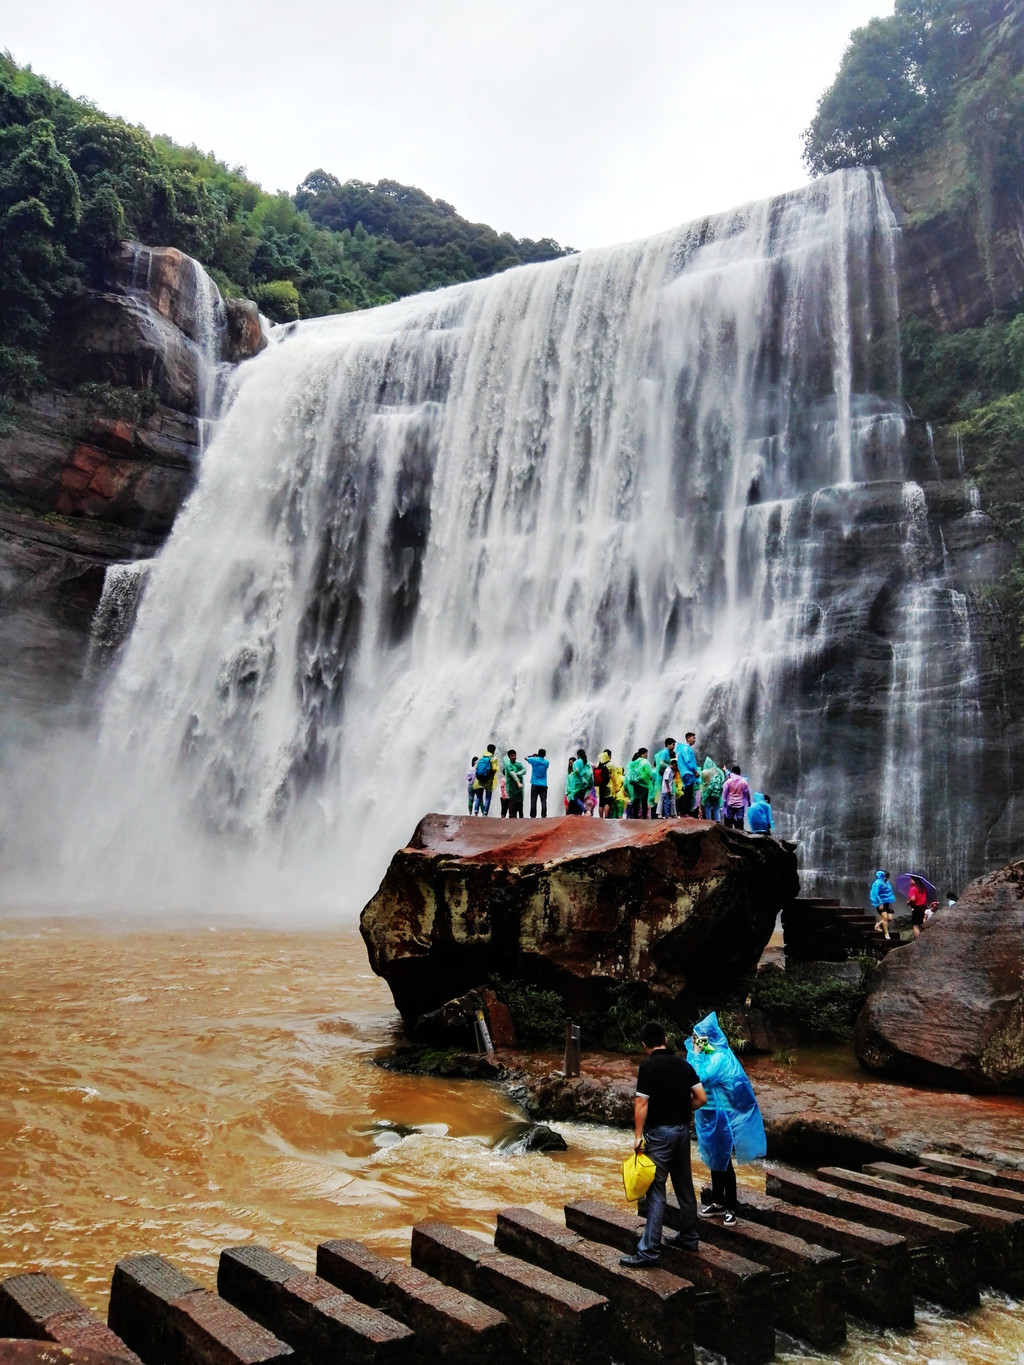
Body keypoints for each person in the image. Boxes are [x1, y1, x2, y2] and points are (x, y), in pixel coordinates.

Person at [619, 1021, 706, 1267]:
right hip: (682, 1131)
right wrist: (680, 1110)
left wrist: (637, 1136)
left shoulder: (648, 1067)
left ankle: (649, 1251)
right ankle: (689, 1237)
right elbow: (701, 1097)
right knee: (684, 1185)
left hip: (660, 1135)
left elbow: (641, 1104)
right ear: (665, 1039)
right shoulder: (683, 1064)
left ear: (644, 1044)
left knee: (655, 1191)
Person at [686, 1013, 766, 1225]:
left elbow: (698, 1077)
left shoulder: (719, 1057)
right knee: (714, 1160)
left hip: (723, 1118)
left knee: (724, 1162)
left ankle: (731, 1207)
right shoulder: (711, 1053)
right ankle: (718, 1203)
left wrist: (695, 1052)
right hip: (709, 1115)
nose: (694, 1041)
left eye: (698, 1037)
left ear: (707, 1037)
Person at [626, 748, 654, 819]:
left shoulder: (635, 761)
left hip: (636, 783)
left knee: (636, 800)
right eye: (646, 753)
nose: (647, 755)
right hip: (644, 784)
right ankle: (644, 817)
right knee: (644, 801)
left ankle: (635, 816)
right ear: (643, 754)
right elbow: (649, 773)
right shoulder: (645, 762)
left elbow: (630, 771)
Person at [677, 732, 700, 816]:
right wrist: (694, 771)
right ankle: (686, 811)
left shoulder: (684, 749)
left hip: (686, 772)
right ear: (688, 738)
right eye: (693, 738)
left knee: (687, 792)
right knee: (688, 793)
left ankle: (684, 811)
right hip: (688, 772)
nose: (694, 740)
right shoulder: (686, 749)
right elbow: (688, 761)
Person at [870, 869, 895, 940]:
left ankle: (878, 925)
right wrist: (880, 903)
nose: (887, 878)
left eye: (887, 877)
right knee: (885, 918)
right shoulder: (878, 883)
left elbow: (890, 892)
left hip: (888, 902)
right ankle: (886, 933)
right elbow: (875, 893)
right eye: (886, 877)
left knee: (889, 918)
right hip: (880, 902)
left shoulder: (888, 883)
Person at [566, 749, 593, 816]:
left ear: (578, 755)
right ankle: (580, 813)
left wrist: (580, 777)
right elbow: (590, 772)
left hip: (578, 784)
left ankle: (585, 810)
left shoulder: (577, 762)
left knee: (575, 797)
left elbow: (577, 771)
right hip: (585, 784)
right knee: (581, 798)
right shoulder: (587, 762)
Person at [472, 745, 498, 815]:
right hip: (488, 781)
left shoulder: (481, 758)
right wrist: (491, 776)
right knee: (488, 797)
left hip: (479, 780)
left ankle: (476, 812)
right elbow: (494, 769)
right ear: (494, 751)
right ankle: (485, 813)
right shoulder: (494, 759)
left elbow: (476, 767)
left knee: (478, 797)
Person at [699, 756, 725, 821]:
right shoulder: (718, 771)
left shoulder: (704, 772)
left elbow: (701, 782)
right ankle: (717, 822)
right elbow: (723, 780)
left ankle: (709, 822)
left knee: (708, 808)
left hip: (707, 793)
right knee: (716, 809)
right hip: (716, 793)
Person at [527, 749, 549, 817]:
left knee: (533, 800)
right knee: (543, 801)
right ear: (545, 755)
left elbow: (526, 758)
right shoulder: (546, 762)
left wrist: (532, 755)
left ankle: (533, 816)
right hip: (543, 784)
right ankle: (543, 815)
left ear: (538, 754)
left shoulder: (534, 760)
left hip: (535, 784)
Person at [504, 749, 526, 819]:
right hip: (512, 788)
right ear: (509, 757)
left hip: (519, 788)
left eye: (514, 755)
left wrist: (519, 773)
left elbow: (524, 770)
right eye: (512, 756)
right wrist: (518, 782)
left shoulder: (518, 764)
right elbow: (512, 774)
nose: (514, 757)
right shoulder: (508, 765)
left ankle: (521, 818)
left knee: (520, 803)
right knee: (512, 802)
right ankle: (512, 817)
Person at [906, 874, 928, 939]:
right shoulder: (923, 889)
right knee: (921, 924)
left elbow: (913, 899)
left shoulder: (913, 889)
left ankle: (918, 940)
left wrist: (908, 902)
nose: (910, 881)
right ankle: (923, 938)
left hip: (917, 908)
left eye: (911, 879)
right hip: (924, 908)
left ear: (915, 881)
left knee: (915, 925)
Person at [594, 749, 613, 818]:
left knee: (601, 803)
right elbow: (614, 776)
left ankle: (601, 817)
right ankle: (606, 817)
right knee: (608, 802)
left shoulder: (598, 764)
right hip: (608, 786)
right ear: (609, 756)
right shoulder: (610, 764)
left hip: (600, 786)